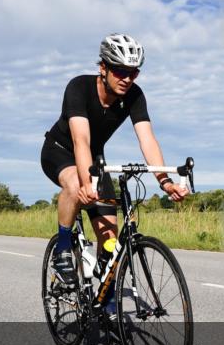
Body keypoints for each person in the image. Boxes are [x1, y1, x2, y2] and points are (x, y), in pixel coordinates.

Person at [40, 34, 188, 316]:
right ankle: (62, 248)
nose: (127, 78)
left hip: (95, 158)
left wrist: (164, 182)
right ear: (103, 68)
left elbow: (148, 140)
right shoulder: (79, 87)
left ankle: (106, 302)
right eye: (120, 70)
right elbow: (80, 140)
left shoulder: (134, 95)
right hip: (60, 150)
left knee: (111, 240)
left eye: (133, 72)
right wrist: (86, 184)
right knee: (74, 185)